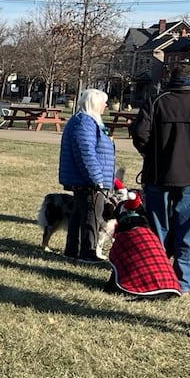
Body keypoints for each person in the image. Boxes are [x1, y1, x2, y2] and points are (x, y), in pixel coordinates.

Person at [129, 64, 190, 293]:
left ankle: (157, 276)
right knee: (189, 228)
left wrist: (150, 153)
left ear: (171, 79)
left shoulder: (157, 101)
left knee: (158, 228)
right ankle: (184, 281)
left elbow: (139, 133)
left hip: (159, 174)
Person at [57, 88, 116, 261]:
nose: (106, 105)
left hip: (86, 179)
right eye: (103, 102)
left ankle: (72, 249)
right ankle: (88, 252)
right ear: (95, 104)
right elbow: (86, 153)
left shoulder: (88, 121)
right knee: (92, 215)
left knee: (79, 213)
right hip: (88, 181)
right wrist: (96, 179)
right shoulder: (85, 123)